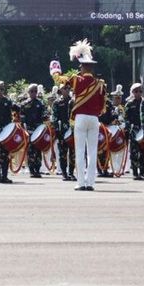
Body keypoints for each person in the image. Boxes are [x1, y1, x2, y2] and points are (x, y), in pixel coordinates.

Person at [51, 39, 106, 192]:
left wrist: (54, 69)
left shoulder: (76, 79)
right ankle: (91, 183)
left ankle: (81, 182)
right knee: (92, 151)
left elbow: (60, 80)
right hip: (94, 118)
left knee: (80, 150)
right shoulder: (100, 84)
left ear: (82, 66)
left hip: (81, 118)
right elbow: (103, 107)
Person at [18, 83, 48, 178]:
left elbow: (45, 114)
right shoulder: (24, 104)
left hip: (38, 129)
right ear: (28, 92)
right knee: (30, 150)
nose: (33, 93)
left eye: (35, 91)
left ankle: (37, 169)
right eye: (31, 91)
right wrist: (24, 128)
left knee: (38, 150)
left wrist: (46, 117)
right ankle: (31, 170)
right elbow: (21, 117)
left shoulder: (40, 103)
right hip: (29, 129)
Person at [52, 83, 76, 181]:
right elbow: (54, 117)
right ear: (60, 90)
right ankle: (64, 173)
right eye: (64, 88)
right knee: (62, 153)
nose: (66, 90)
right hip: (62, 131)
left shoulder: (74, 101)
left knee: (73, 153)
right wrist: (57, 129)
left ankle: (71, 173)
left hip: (73, 130)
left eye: (68, 88)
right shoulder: (57, 102)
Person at [123, 83, 144, 181]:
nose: (138, 93)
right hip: (134, 129)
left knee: (142, 152)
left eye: (140, 91)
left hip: (143, 129)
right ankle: (135, 173)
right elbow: (126, 118)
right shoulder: (129, 104)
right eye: (136, 91)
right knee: (134, 152)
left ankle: (142, 172)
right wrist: (128, 130)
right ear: (132, 92)